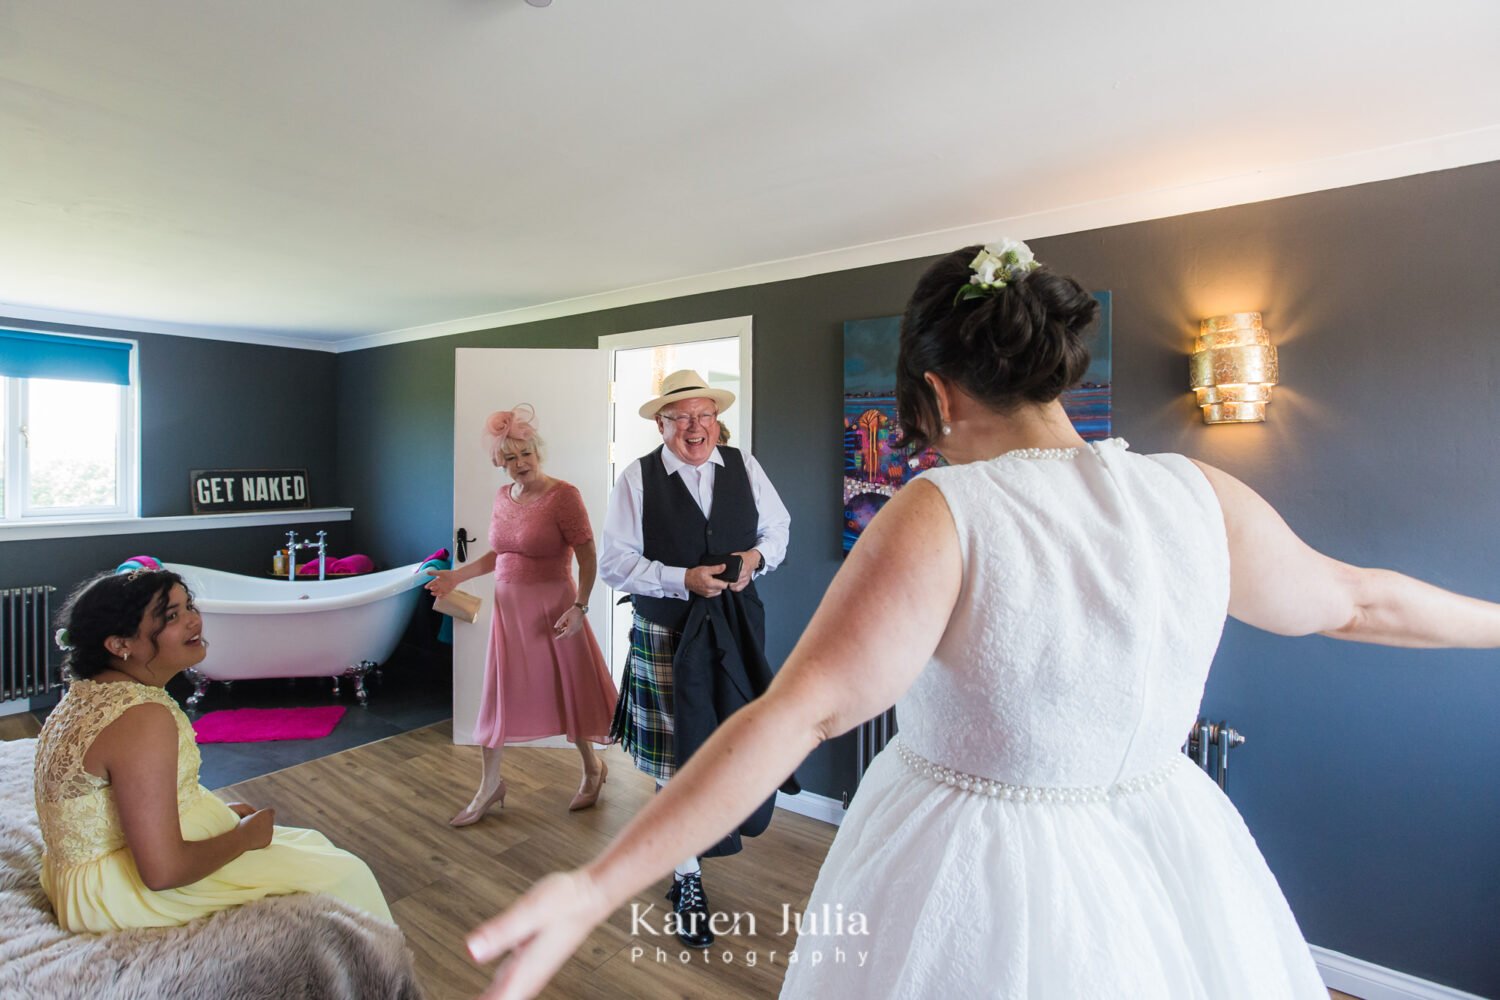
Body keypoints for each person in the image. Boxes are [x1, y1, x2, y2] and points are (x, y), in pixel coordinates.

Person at [465, 239, 1500, 1000]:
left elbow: (796, 717)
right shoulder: (1201, 492)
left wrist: (598, 883)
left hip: (976, 874)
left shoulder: (946, 509)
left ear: (935, 392)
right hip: (1178, 851)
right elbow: (1364, 599)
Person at [33, 569, 391, 932]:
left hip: (80, 882)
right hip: (117, 896)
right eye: (171, 616)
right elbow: (162, 872)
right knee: (344, 875)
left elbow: (115, 802)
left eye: (188, 606)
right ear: (120, 644)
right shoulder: (140, 717)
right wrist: (243, 837)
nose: (193, 620)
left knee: (309, 843)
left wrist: (206, 814)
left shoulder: (88, 693)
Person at [596, 368, 791, 948]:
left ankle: (695, 848)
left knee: (734, 744)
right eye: (680, 417)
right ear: (661, 425)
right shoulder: (637, 478)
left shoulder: (745, 467)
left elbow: (778, 531)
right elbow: (614, 564)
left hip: (734, 627)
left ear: (716, 420)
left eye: (703, 415)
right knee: (677, 761)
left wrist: (755, 559)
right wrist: (682, 578)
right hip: (667, 632)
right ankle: (686, 877)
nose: (694, 427)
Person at [426, 404, 618, 826]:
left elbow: (588, 557)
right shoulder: (502, 497)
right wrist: (456, 577)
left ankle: (592, 767)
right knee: (498, 697)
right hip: (509, 611)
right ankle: (488, 786)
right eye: (509, 458)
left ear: (538, 451)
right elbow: (502, 553)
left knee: (572, 689)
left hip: (555, 609)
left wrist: (580, 607)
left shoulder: (564, 496)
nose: (519, 465)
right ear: (500, 463)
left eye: (525, 454)